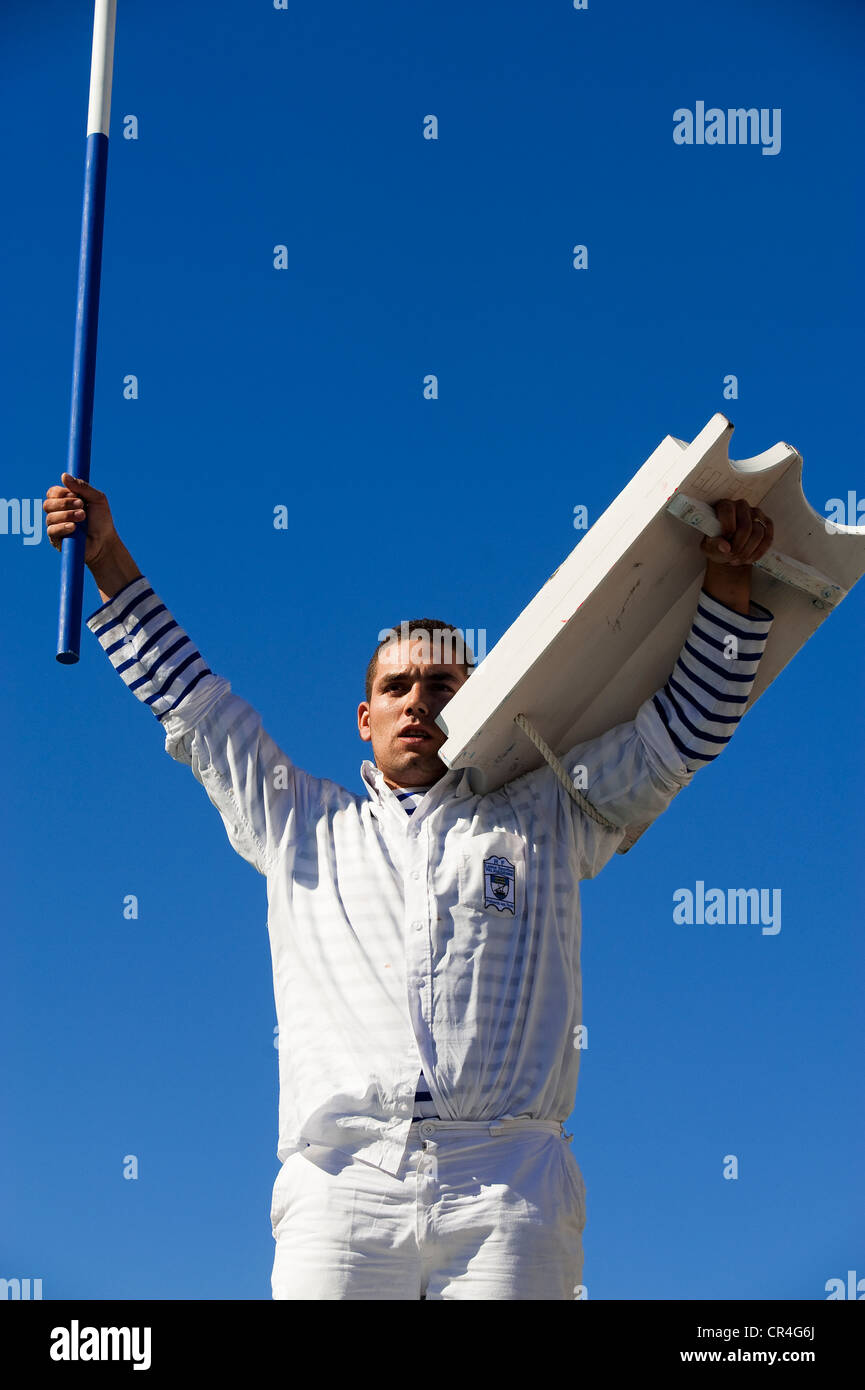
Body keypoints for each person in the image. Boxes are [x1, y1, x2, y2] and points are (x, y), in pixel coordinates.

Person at [44, 472, 776, 1301]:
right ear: (365, 716)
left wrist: (727, 582)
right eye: (395, 687)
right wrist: (107, 559)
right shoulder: (300, 822)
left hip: (511, 1180)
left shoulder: (547, 813)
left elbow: (682, 734)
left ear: (476, 702)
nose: (416, 702)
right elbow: (194, 706)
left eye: (442, 686)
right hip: (342, 1183)